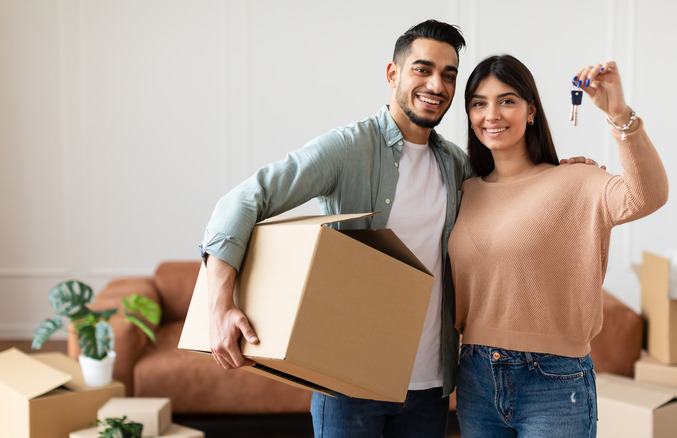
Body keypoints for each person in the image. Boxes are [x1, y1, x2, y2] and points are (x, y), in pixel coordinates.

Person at [200, 20, 597, 437]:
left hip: (430, 389)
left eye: (448, 75)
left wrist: (561, 175)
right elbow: (244, 201)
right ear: (394, 74)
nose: (436, 85)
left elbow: (511, 192)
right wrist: (219, 305)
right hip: (349, 382)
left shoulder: (457, 164)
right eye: (422, 69)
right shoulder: (349, 148)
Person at [449, 55, 668, 438]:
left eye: (507, 100)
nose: (492, 114)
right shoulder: (465, 191)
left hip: (553, 380)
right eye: (479, 103)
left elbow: (648, 195)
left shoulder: (576, 181)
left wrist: (619, 114)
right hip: (475, 376)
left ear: (531, 110)